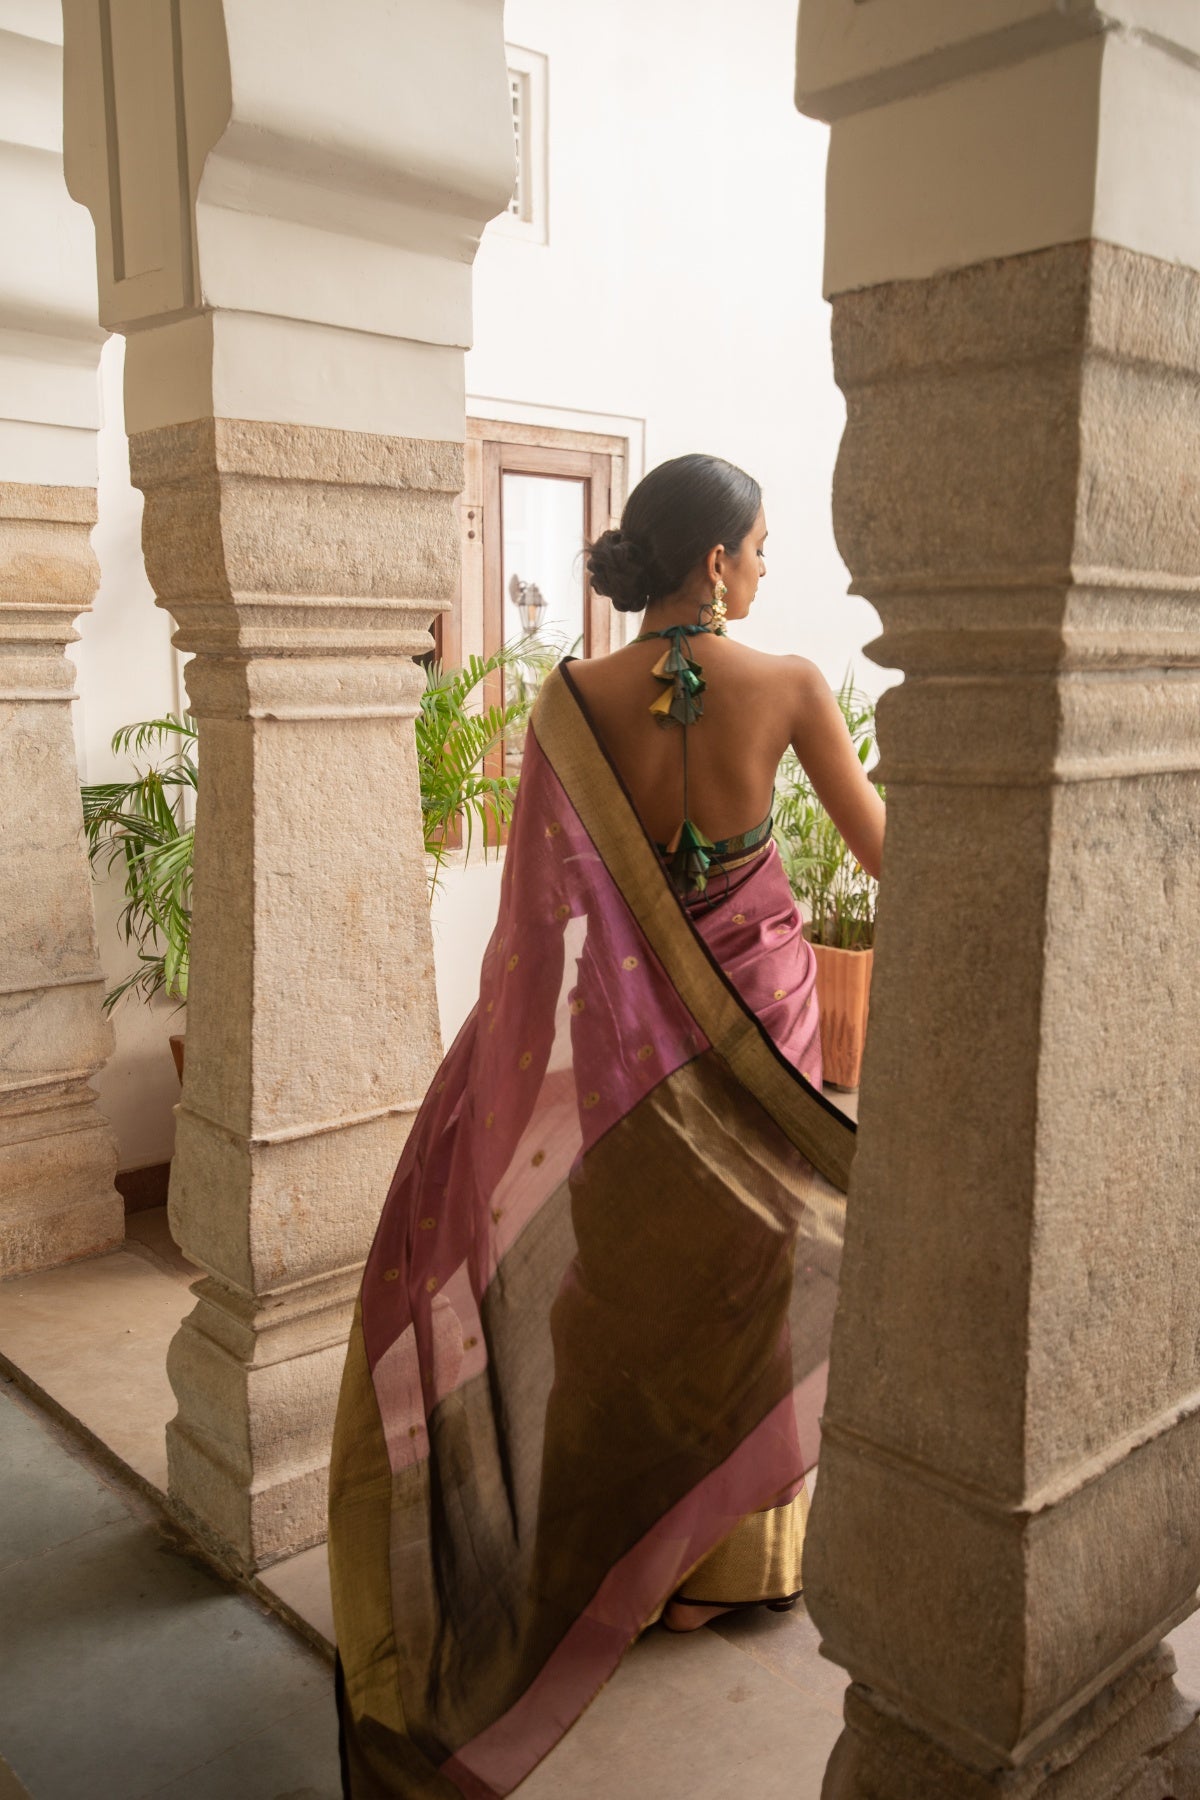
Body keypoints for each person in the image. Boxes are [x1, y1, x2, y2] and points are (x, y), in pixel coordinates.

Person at [329, 453, 885, 1800]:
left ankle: (615, 1567)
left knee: (621, 1275)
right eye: (756, 548)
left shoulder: (569, 702)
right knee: (744, 1279)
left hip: (620, 1057)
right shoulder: (794, 687)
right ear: (712, 562)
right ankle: (711, 1572)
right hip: (758, 1037)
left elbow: (537, 933)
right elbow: (884, 854)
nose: (763, 570)